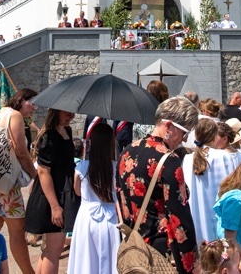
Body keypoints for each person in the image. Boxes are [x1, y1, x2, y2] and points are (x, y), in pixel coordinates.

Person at [116, 96, 199, 273]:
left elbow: (122, 202)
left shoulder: (126, 152)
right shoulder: (169, 160)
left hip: (135, 245)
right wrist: (190, 264)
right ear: (168, 126)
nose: (184, 139)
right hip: (161, 248)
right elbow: (179, 217)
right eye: (184, 132)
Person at [0, 88, 38, 274]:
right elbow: (21, 151)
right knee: (17, 231)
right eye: (32, 103)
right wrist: (35, 177)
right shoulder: (16, 116)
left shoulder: (2, 112)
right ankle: (28, 272)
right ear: (21, 100)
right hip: (5, 183)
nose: (34, 108)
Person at [24, 109, 81, 274]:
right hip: (52, 196)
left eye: (73, 113)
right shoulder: (49, 136)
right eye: (67, 113)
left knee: (50, 250)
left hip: (62, 192)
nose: (71, 116)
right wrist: (55, 207)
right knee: (53, 251)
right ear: (56, 112)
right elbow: (43, 172)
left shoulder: (66, 131)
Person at [183, 118, 241, 244]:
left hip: (197, 216)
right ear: (214, 136)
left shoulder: (188, 159)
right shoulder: (224, 157)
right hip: (221, 215)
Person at [68, 124, 119, 274]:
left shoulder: (82, 167)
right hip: (111, 219)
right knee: (111, 260)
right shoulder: (116, 167)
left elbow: (77, 192)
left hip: (87, 218)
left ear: (92, 142)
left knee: (86, 261)